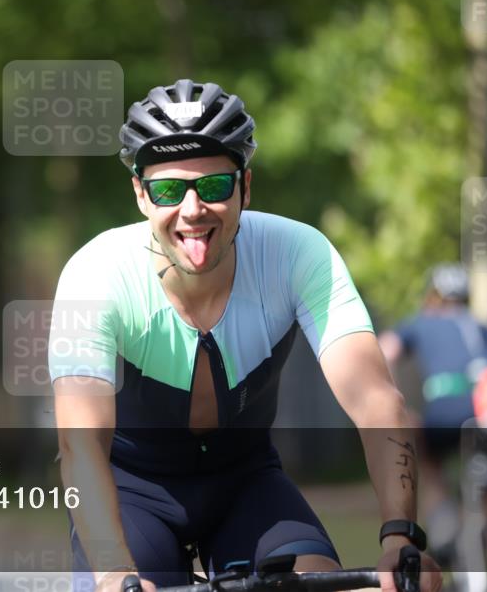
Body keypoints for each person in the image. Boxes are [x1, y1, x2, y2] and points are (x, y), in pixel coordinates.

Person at [48, 80, 442, 592]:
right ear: (141, 194)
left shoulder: (299, 254)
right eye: (169, 189)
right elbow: (80, 445)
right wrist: (114, 573)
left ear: (246, 188)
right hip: (132, 492)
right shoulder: (95, 274)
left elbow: (376, 401)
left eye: (214, 186)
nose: (192, 209)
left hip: (246, 482)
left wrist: (400, 538)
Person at [378, 265, 487, 562]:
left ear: (433, 296)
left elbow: (386, 350)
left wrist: (400, 406)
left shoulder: (420, 322)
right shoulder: (485, 327)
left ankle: (443, 515)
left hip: (447, 411)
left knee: (427, 457)